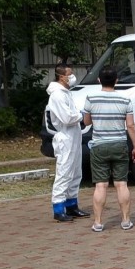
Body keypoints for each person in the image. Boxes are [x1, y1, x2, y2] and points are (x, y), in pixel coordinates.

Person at [82, 65, 135, 232]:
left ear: (99, 80)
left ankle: (98, 223)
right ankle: (126, 221)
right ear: (116, 80)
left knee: (101, 185)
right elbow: (130, 125)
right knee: (121, 184)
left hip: (99, 145)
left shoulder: (91, 98)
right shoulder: (125, 99)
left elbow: (86, 122)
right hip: (120, 145)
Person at [45, 64, 90, 222]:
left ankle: (72, 205)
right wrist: (81, 115)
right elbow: (66, 118)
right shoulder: (57, 95)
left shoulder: (66, 93)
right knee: (64, 172)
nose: (73, 77)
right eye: (70, 74)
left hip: (74, 136)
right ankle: (58, 208)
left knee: (76, 171)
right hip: (65, 137)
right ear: (61, 77)